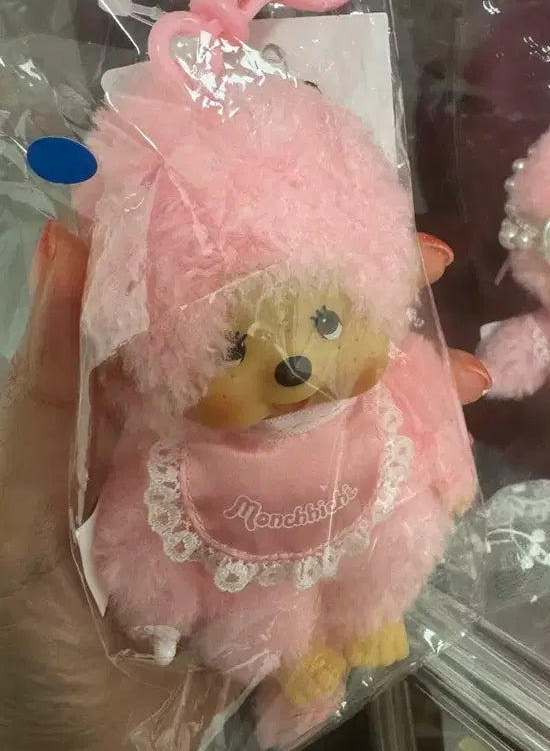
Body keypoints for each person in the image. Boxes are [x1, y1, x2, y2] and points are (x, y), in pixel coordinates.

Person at [0, 221, 489, 751]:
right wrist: (159, 610)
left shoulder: (381, 397)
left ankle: (372, 617)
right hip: (249, 580)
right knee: (254, 610)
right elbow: (142, 543)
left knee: (398, 542)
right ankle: (296, 661)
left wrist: (452, 470)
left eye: (326, 321)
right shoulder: (178, 457)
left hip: (367, 513)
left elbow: (430, 411)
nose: (295, 367)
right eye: (234, 348)